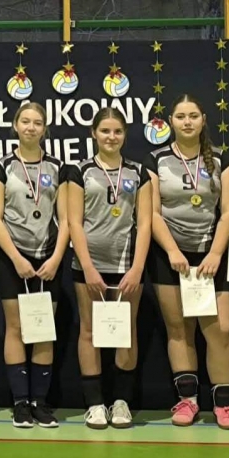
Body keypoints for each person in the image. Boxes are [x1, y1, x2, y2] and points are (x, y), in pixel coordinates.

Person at [146, 95, 229, 430]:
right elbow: (151, 213)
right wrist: (173, 251)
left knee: (222, 329)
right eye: (180, 116)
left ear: (203, 120)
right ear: (171, 121)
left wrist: (215, 253)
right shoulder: (156, 159)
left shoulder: (223, 159)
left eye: (193, 116)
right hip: (170, 255)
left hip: (213, 254)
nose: (187, 122)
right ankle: (188, 400)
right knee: (179, 328)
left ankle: (224, 403)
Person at [65, 107, 151, 430]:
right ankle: (95, 404)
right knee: (89, 331)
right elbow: (74, 222)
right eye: (105, 131)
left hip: (127, 266)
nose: (111, 137)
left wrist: (137, 268)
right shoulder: (80, 171)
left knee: (126, 331)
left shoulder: (139, 173)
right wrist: (87, 267)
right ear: (93, 134)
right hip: (89, 267)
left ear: (125, 135)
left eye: (117, 131)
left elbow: (145, 223)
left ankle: (121, 402)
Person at [0, 102, 68, 428]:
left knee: (43, 329)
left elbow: (66, 219)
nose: (31, 127)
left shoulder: (58, 167)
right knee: (17, 328)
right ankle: (20, 403)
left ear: (45, 128)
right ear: (15, 125)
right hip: (12, 258)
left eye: (37, 122)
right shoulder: (2, 166)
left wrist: (55, 259)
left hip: (48, 258)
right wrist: (16, 258)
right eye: (25, 121)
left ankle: (40, 402)